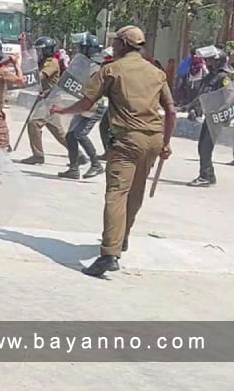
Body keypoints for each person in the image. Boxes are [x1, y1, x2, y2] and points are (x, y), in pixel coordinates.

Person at [51, 26, 176, 277]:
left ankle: (109, 254)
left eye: (116, 42)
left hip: (127, 140)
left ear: (122, 44)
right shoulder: (156, 72)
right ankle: (123, 237)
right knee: (135, 194)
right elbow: (171, 111)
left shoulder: (110, 70)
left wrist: (63, 110)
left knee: (116, 194)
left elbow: (87, 103)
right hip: (153, 139)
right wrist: (166, 143)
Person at [18, 36, 82, 165]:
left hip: (50, 100)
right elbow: (28, 60)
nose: (38, 53)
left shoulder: (51, 62)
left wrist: (24, 79)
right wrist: (23, 45)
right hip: (48, 99)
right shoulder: (42, 61)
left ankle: (38, 155)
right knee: (58, 132)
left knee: (34, 123)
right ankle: (78, 155)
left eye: (40, 50)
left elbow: (40, 76)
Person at [58, 33, 108, 180]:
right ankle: (73, 168)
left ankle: (96, 164)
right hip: (85, 103)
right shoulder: (87, 63)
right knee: (70, 136)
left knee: (80, 134)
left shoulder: (96, 67)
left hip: (94, 105)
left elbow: (94, 90)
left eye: (82, 47)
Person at [185, 48, 232, 187]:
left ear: (219, 62)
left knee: (205, 146)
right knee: (203, 145)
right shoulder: (210, 76)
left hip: (217, 117)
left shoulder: (224, 77)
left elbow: (229, 97)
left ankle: (205, 176)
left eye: (212, 60)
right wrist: (191, 107)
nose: (208, 63)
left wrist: (222, 113)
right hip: (209, 115)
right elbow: (203, 94)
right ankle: (209, 175)